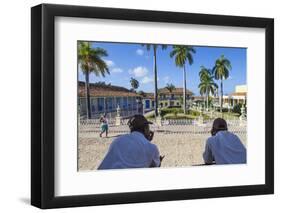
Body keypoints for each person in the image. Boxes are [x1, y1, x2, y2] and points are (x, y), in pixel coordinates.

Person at [98, 114, 164, 169]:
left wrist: (146, 141)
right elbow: (155, 168)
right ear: (145, 128)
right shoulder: (151, 147)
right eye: (148, 127)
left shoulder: (117, 141)